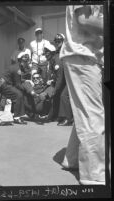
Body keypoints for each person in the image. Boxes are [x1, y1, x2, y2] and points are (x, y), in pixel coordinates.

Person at [59, 5, 105, 185]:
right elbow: (84, 20)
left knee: (85, 110)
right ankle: (94, 175)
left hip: (85, 54)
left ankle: (72, 159)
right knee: (92, 115)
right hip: (82, 54)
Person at [0, 53, 29, 124]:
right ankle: (17, 117)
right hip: (4, 85)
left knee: (19, 93)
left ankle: (16, 113)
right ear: (20, 61)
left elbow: (15, 80)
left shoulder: (16, 66)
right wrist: (27, 89)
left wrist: (25, 81)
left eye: (26, 61)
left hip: (5, 84)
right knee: (19, 94)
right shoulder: (17, 69)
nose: (26, 63)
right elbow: (18, 84)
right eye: (24, 61)